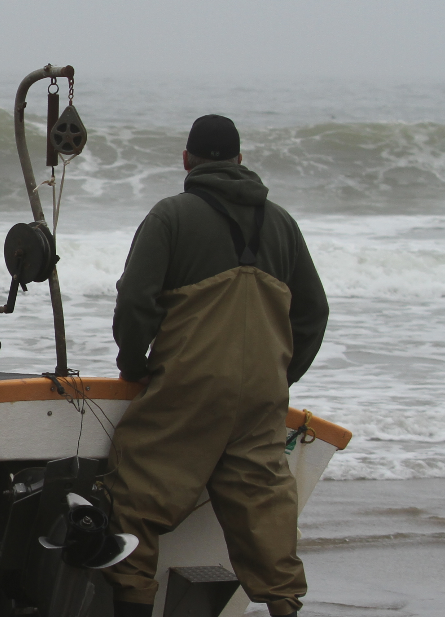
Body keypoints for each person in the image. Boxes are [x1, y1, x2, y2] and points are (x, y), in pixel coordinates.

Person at [104, 115, 329, 617]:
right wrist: (283, 375)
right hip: (260, 399)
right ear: (240, 160)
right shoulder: (283, 224)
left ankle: (135, 607)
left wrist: (133, 363)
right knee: (265, 504)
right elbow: (314, 312)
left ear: (186, 160)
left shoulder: (171, 217)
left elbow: (135, 301)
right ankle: (285, 607)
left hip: (189, 390)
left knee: (135, 494)